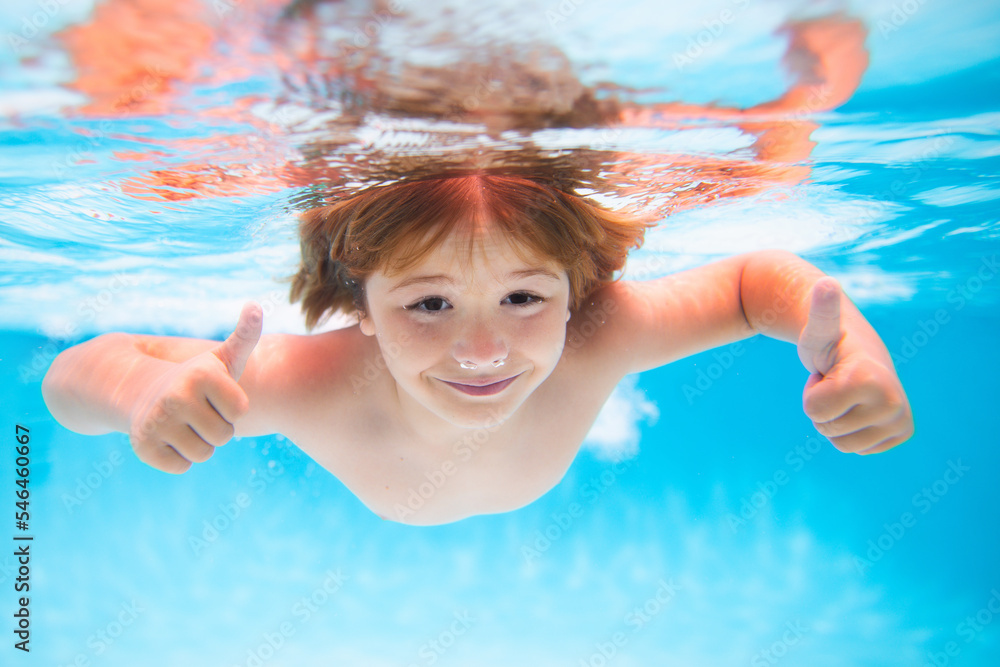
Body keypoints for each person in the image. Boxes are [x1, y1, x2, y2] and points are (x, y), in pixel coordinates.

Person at [42, 2, 913, 525]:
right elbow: (70, 378)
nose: (484, 349)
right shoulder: (314, 379)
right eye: (427, 306)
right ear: (361, 300)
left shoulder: (598, 334)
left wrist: (851, 346)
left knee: (774, 166)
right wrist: (140, 392)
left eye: (526, 296)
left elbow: (754, 281)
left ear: (578, 286)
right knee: (154, 152)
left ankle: (807, 90)